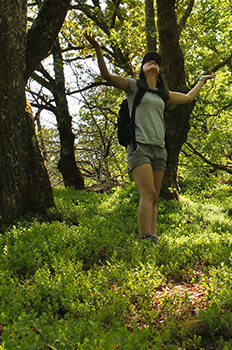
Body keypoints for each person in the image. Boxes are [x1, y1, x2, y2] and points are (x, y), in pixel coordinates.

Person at [85, 33, 215, 243]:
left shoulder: (163, 93)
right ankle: (146, 237)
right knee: (147, 193)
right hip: (139, 147)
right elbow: (107, 75)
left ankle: (153, 235)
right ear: (142, 69)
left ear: (159, 70)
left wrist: (201, 81)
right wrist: (98, 49)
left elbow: (189, 97)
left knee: (154, 195)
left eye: (156, 61)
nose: (152, 62)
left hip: (159, 149)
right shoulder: (133, 87)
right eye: (148, 61)